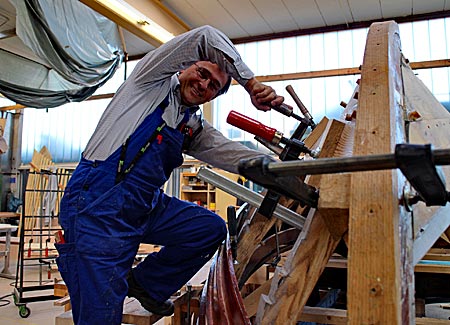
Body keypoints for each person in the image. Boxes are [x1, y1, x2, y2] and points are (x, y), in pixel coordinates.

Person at [55, 25, 286, 324]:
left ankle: (145, 284)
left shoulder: (189, 124)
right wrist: (251, 84)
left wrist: (284, 168)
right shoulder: (149, 82)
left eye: (214, 86)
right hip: (96, 209)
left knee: (208, 229)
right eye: (202, 73)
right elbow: (206, 36)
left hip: (142, 207)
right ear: (186, 64)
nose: (204, 85)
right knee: (100, 315)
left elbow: (233, 154)